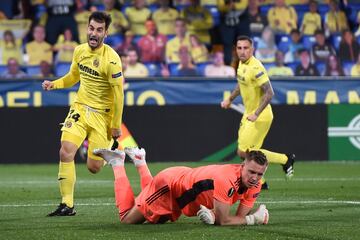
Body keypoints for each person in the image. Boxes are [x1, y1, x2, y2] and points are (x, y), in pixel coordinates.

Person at [42, 11, 125, 216]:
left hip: (101, 116)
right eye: (91, 28)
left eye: (99, 30)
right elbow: (73, 76)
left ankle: (112, 151)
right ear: (86, 28)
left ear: (106, 33)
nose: (93, 33)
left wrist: (115, 125)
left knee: (94, 167)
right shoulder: (79, 51)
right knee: (65, 150)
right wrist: (54, 84)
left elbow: (119, 95)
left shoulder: (112, 60)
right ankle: (67, 204)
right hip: (80, 108)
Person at [93, 146, 270, 225]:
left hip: (182, 190)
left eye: (259, 174)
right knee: (127, 218)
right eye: (251, 172)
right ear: (242, 166)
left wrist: (215, 214)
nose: (254, 178)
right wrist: (254, 219)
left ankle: (140, 161)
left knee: (158, 220)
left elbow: (236, 218)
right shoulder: (227, 178)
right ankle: (117, 163)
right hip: (171, 185)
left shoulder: (255, 184)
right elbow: (224, 221)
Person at [220, 35, 295, 182]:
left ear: (252, 49)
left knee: (245, 152)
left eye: (246, 48)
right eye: (239, 48)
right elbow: (240, 85)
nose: (242, 51)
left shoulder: (256, 67)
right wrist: (229, 99)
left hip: (260, 115)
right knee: (247, 153)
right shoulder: (241, 64)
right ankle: (261, 181)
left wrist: (256, 113)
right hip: (249, 113)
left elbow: (269, 92)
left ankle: (285, 159)